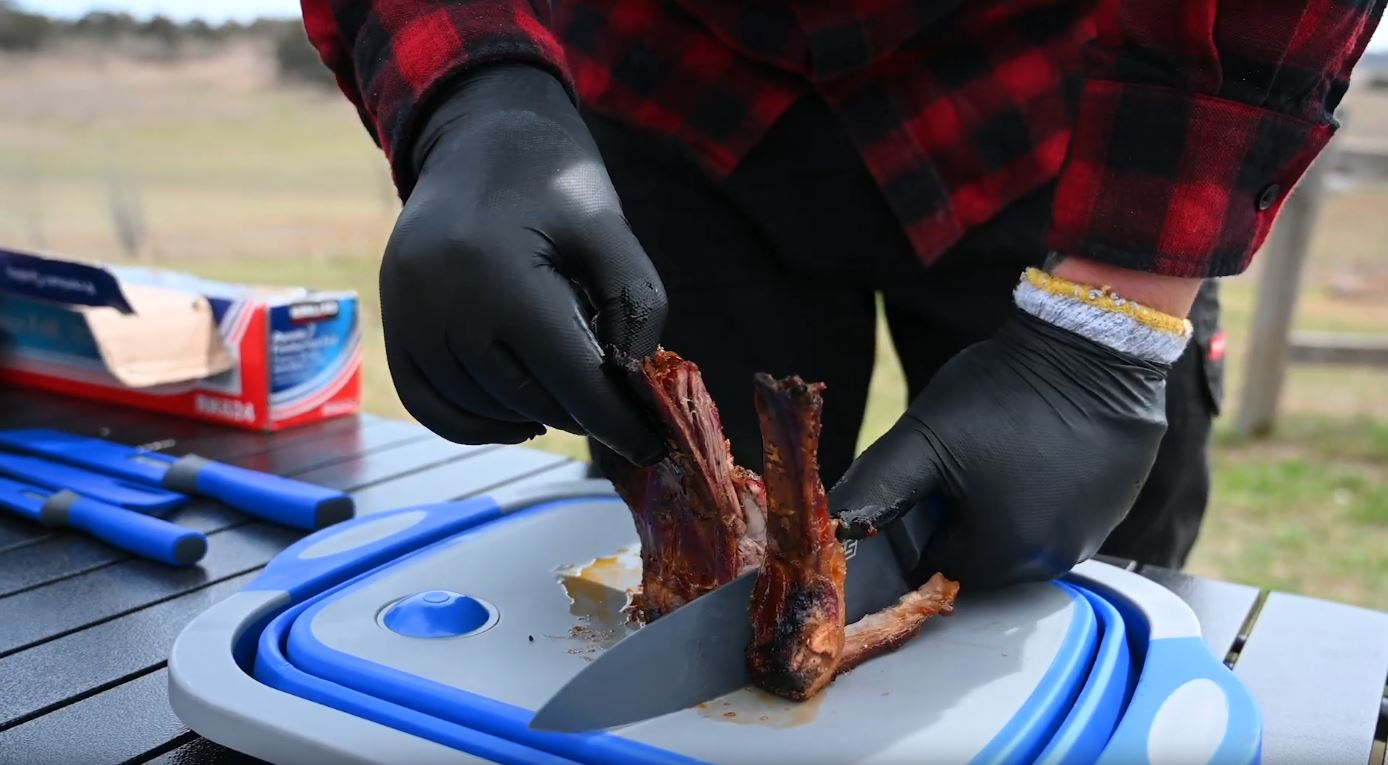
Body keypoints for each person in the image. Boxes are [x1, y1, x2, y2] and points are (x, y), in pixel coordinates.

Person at [300, 0, 1384, 588]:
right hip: (669, 94)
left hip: (1067, 121)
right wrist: (473, 94)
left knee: (1087, 573)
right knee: (703, 570)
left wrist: (1108, 320)